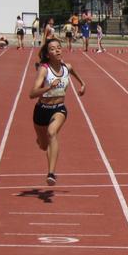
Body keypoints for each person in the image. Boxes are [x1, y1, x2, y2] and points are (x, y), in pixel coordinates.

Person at [29, 39, 87, 185]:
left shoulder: (67, 67)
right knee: (43, 145)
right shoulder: (44, 69)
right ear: (48, 54)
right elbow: (32, 94)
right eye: (53, 49)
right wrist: (48, 88)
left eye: (59, 48)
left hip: (59, 108)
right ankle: (40, 140)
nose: (57, 51)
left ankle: (51, 174)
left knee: (52, 133)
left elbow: (74, 73)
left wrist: (83, 84)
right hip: (42, 110)